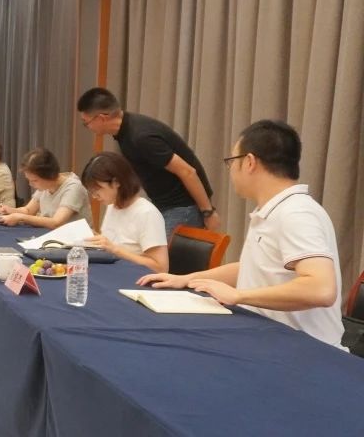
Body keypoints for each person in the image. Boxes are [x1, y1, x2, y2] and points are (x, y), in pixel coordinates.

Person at [138, 121, 345, 348]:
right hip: (270, 338)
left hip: (305, 349)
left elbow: (321, 289)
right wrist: (187, 279)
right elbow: (252, 267)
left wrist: (239, 296)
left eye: (231, 162)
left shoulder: (296, 213)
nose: (231, 171)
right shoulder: (274, 210)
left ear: (249, 162)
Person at [77, 87, 218, 235]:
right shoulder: (125, 131)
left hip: (182, 206)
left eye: (86, 122)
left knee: (157, 250)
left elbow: (187, 171)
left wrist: (208, 212)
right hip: (164, 204)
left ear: (101, 118)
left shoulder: (141, 137)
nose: (87, 127)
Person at [79, 152, 168, 273]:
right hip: (114, 272)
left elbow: (161, 268)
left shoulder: (147, 213)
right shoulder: (113, 206)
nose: (94, 196)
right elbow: (114, 242)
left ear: (116, 182)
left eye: (97, 190)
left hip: (135, 278)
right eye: (91, 191)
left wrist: (115, 250)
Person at [0, 148, 92, 229]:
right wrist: (9, 210)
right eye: (29, 180)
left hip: (74, 239)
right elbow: (28, 210)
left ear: (49, 175)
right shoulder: (46, 186)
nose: (30, 184)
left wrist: (21, 217)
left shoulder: (73, 187)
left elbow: (56, 222)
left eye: (35, 180)